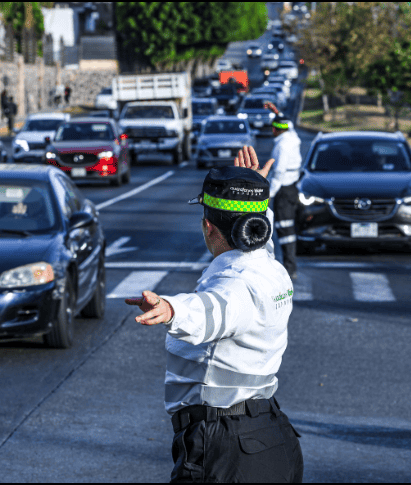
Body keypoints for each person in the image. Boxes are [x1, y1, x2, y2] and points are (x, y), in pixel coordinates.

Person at [125, 146, 303, 483]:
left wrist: (172, 309)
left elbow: (216, 309)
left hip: (225, 450)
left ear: (208, 226)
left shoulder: (237, 285)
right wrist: (254, 193)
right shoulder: (270, 269)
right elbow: (259, 245)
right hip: (270, 438)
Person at [268, 114, 302, 280]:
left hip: (283, 190)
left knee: (285, 231)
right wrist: (279, 112)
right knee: (288, 229)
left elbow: (279, 173)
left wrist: (269, 195)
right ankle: (290, 267)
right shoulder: (293, 138)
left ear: (275, 129)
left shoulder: (282, 146)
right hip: (292, 188)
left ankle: (290, 268)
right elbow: (290, 126)